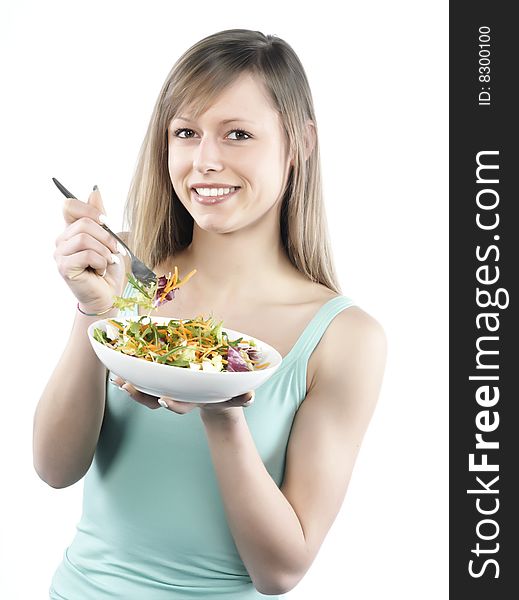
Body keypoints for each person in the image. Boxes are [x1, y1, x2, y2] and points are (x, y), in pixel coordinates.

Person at [33, 29, 387, 600]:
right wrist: (93, 310)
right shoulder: (126, 275)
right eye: (186, 133)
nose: (205, 162)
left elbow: (281, 572)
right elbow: (53, 467)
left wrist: (221, 414)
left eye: (238, 134)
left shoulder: (345, 337)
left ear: (299, 142)